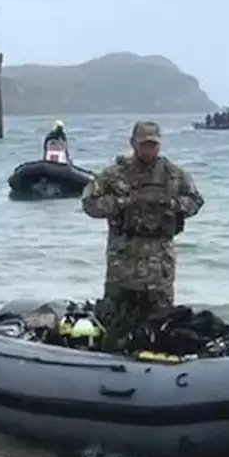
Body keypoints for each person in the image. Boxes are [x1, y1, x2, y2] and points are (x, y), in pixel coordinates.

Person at [81, 121, 204, 351]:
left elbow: (196, 201)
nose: (149, 150)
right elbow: (89, 203)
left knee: (161, 323)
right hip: (123, 263)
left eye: (153, 145)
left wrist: (173, 205)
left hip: (159, 264)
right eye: (144, 145)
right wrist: (120, 204)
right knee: (115, 323)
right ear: (133, 144)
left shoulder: (174, 175)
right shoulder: (114, 175)